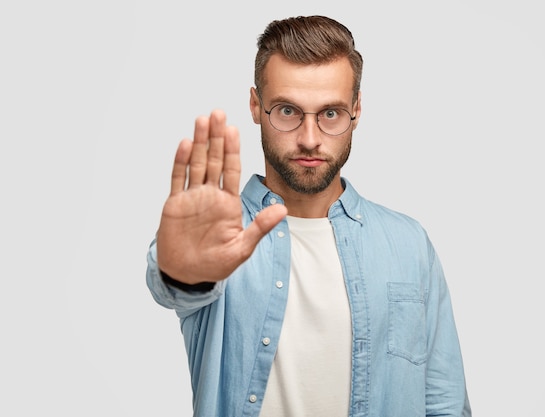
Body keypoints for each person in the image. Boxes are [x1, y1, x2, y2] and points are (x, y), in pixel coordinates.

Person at [146, 15, 471, 417]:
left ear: (356, 109)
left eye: (331, 114)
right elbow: (172, 285)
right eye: (287, 111)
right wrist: (182, 273)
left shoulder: (409, 244)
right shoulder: (216, 237)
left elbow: (444, 403)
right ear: (255, 106)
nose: (310, 138)